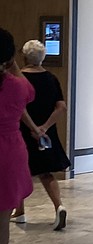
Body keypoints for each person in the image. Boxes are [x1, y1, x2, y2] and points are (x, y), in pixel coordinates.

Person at [12, 39, 71, 230]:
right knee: (47, 173)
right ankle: (58, 206)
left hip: (22, 130)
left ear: (24, 56)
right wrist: (44, 127)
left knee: (19, 171)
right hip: (46, 133)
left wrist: (33, 128)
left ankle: (19, 211)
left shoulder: (19, 79)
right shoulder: (51, 79)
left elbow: (19, 107)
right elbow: (61, 106)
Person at [0, 29, 42, 244]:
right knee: (2, 220)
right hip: (10, 152)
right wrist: (12, 64)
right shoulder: (16, 86)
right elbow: (30, 92)